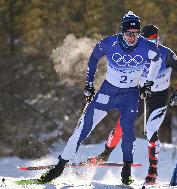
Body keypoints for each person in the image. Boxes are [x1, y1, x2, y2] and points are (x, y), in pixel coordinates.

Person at [37, 11, 162, 185]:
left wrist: (148, 83)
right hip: (107, 93)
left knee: (128, 132)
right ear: (122, 32)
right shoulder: (109, 43)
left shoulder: (146, 46)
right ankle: (58, 168)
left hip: (130, 95)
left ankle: (126, 172)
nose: (132, 37)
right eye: (128, 33)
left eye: (136, 33)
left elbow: (157, 61)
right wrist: (89, 84)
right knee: (83, 129)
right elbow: (93, 59)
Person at [87, 24, 177, 184]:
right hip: (141, 94)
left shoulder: (166, 54)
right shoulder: (136, 52)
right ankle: (104, 155)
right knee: (122, 125)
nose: (153, 43)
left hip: (159, 97)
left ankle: (153, 171)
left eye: (156, 39)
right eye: (149, 40)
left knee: (150, 130)